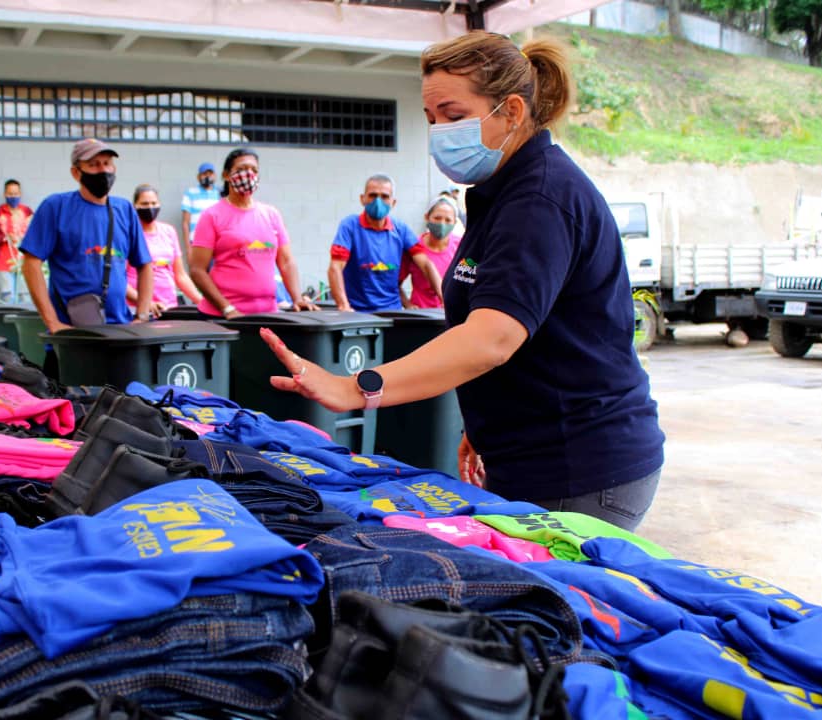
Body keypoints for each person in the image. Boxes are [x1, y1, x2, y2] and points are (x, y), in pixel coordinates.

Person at [260, 32, 665, 531]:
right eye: (431, 119)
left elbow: (491, 338)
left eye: (453, 116)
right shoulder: (502, 191)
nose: (439, 133)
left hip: (578, 466)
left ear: (512, 111)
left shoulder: (540, 198)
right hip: (525, 452)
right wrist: (481, 423)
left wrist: (358, 388)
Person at [20, 138, 153, 334]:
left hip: (121, 330)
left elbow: (145, 264)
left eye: (107, 163)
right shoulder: (56, 207)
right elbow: (31, 264)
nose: (103, 170)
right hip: (73, 334)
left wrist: (142, 315)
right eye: (93, 165)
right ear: (76, 172)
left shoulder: (124, 209)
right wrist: (52, 322)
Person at [188, 148, 316, 319]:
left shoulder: (271, 214)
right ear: (226, 175)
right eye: (241, 169)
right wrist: (227, 309)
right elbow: (197, 270)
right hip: (223, 317)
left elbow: (286, 261)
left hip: (267, 314)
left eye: (254, 170)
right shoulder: (212, 216)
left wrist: (297, 299)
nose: (249, 175)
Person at [327, 174, 443, 313]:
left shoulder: (401, 230)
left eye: (384, 196)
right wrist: (343, 305)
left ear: (393, 202)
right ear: (362, 199)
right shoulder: (350, 226)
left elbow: (425, 264)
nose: (378, 201)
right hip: (356, 313)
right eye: (372, 195)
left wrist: (445, 299)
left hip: (392, 311)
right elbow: (335, 267)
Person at [126, 184, 203, 315]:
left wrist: (202, 301)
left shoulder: (168, 231)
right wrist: (146, 303)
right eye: (144, 204)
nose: (150, 207)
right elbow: (119, 279)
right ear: (135, 206)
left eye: (153, 203)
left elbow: (180, 275)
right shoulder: (128, 234)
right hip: (138, 310)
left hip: (169, 308)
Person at [400, 195, 462, 309]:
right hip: (423, 315)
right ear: (427, 217)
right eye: (437, 218)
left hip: (450, 313)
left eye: (448, 220)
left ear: (454, 222)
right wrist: (408, 305)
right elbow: (396, 284)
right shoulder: (414, 247)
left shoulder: (461, 246)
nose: (442, 223)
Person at [0, 178, 33, 304]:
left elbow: (36, 233)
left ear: (20, 194)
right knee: (8, 297)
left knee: (26, 296)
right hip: (3, 262)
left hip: (24, 260)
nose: (13, 197)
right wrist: (5, 237)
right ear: (5, 194)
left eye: (16, 194)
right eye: (10, 194)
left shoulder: (27, 212)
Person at [180, 161, 220, 252]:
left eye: (210, 174)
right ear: (198, 177)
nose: (207, 176)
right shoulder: (190, 193)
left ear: (215, 176)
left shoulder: (220, 193)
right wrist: (188, 248)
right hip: (196, 242)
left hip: (217, 243)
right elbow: (185, 223)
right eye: (204, 174)